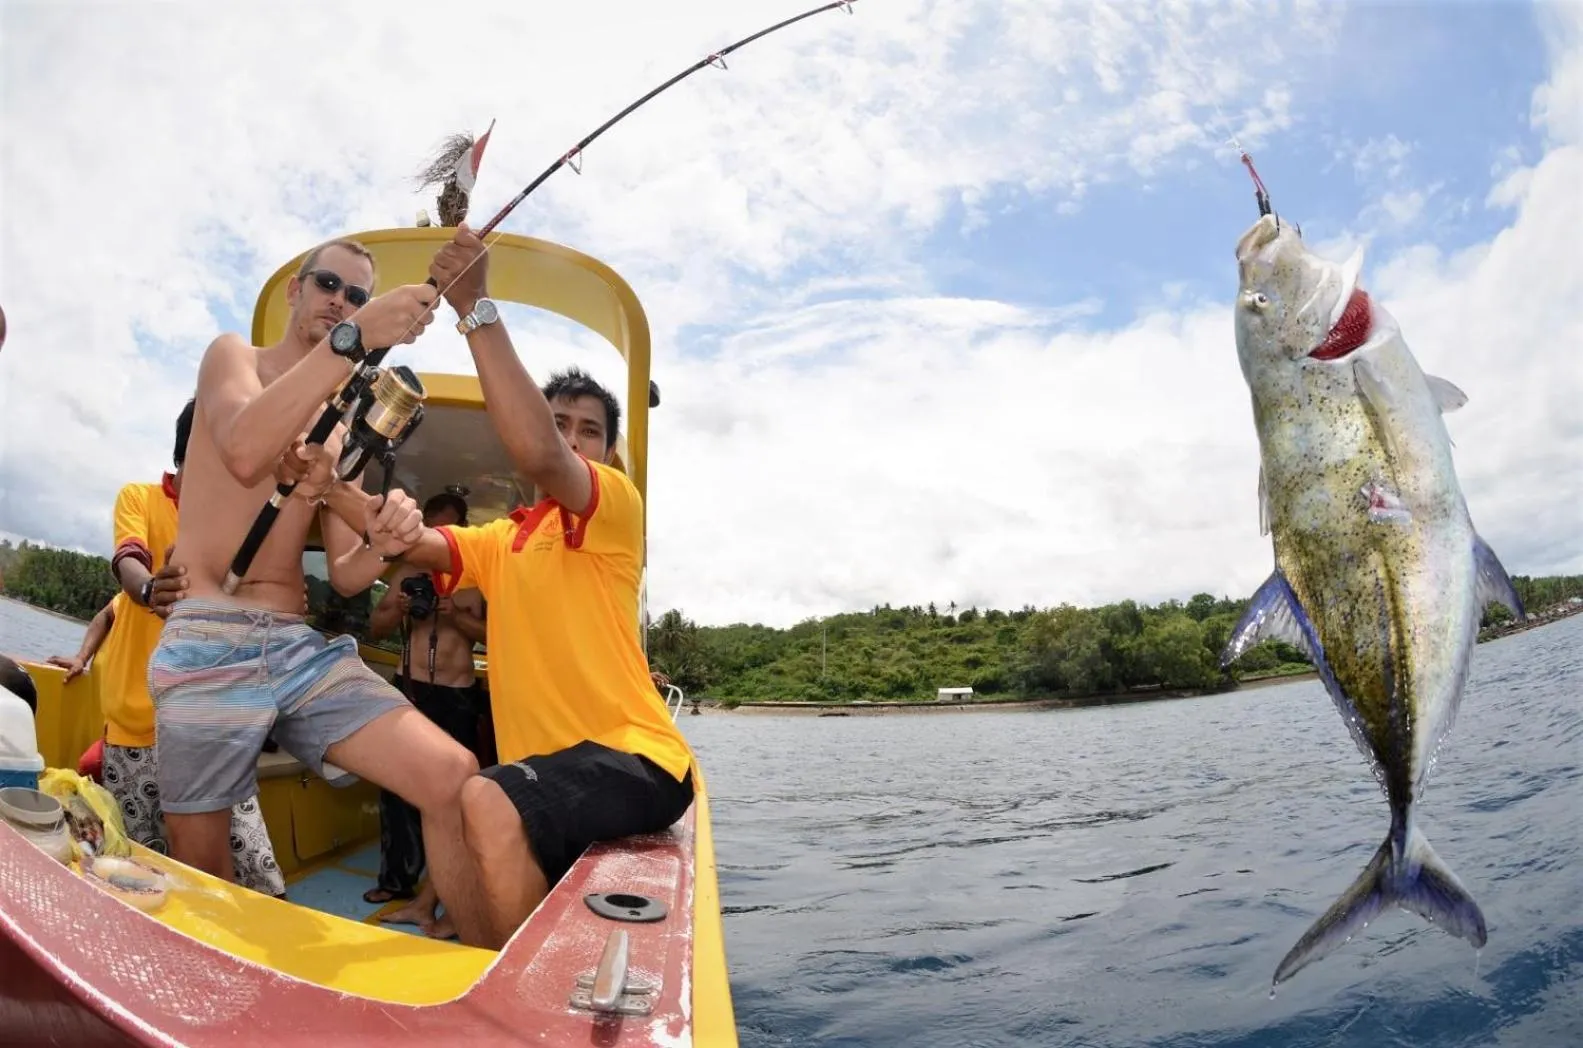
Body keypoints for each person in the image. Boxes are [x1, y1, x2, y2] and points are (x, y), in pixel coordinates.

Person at [145, 238, 484, 935]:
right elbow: (244, 449)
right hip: (209, 634)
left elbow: (353, 573)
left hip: (298, 648)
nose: (342, 301)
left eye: (358, 296)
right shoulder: (233, 358)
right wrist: (355, 339)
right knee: (205, 870)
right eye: (331, 284)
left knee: (453, 773)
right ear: (297, 289)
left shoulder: (340, 431)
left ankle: (478, 976)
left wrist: (388, 533)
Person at [377, 224, 697, 949]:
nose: (573, 439)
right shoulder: (504, 538)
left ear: (607, 452)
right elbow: (418, 544)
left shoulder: (612, 505)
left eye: (588, 430)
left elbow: (540, 455)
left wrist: (476, 310)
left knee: (486, 795)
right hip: (551, 776)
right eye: (561, 424)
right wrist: (337, 491)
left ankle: (515, 1008)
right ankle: (479, 961)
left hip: (639, 757)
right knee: (461, 800)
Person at [60, 401, 287, 896]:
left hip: (212, 728)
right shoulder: (139, 498)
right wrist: (148, 591)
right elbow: (129, 560)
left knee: (257, 875)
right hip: (135, 729)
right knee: (145, 878)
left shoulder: (235, 525)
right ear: (190, 455)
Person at [362, 490, 488, 918]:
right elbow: (376, 628)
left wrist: (457, 617)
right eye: (430, 524)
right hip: (409, 686)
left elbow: (496, 634)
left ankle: (450, 886)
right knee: (396, 784)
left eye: (447, 526)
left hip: (456, 693)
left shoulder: (474, 576)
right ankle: (395, 881)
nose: (437, 533)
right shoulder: (406, 573)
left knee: (454, 790)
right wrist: (397, 608)